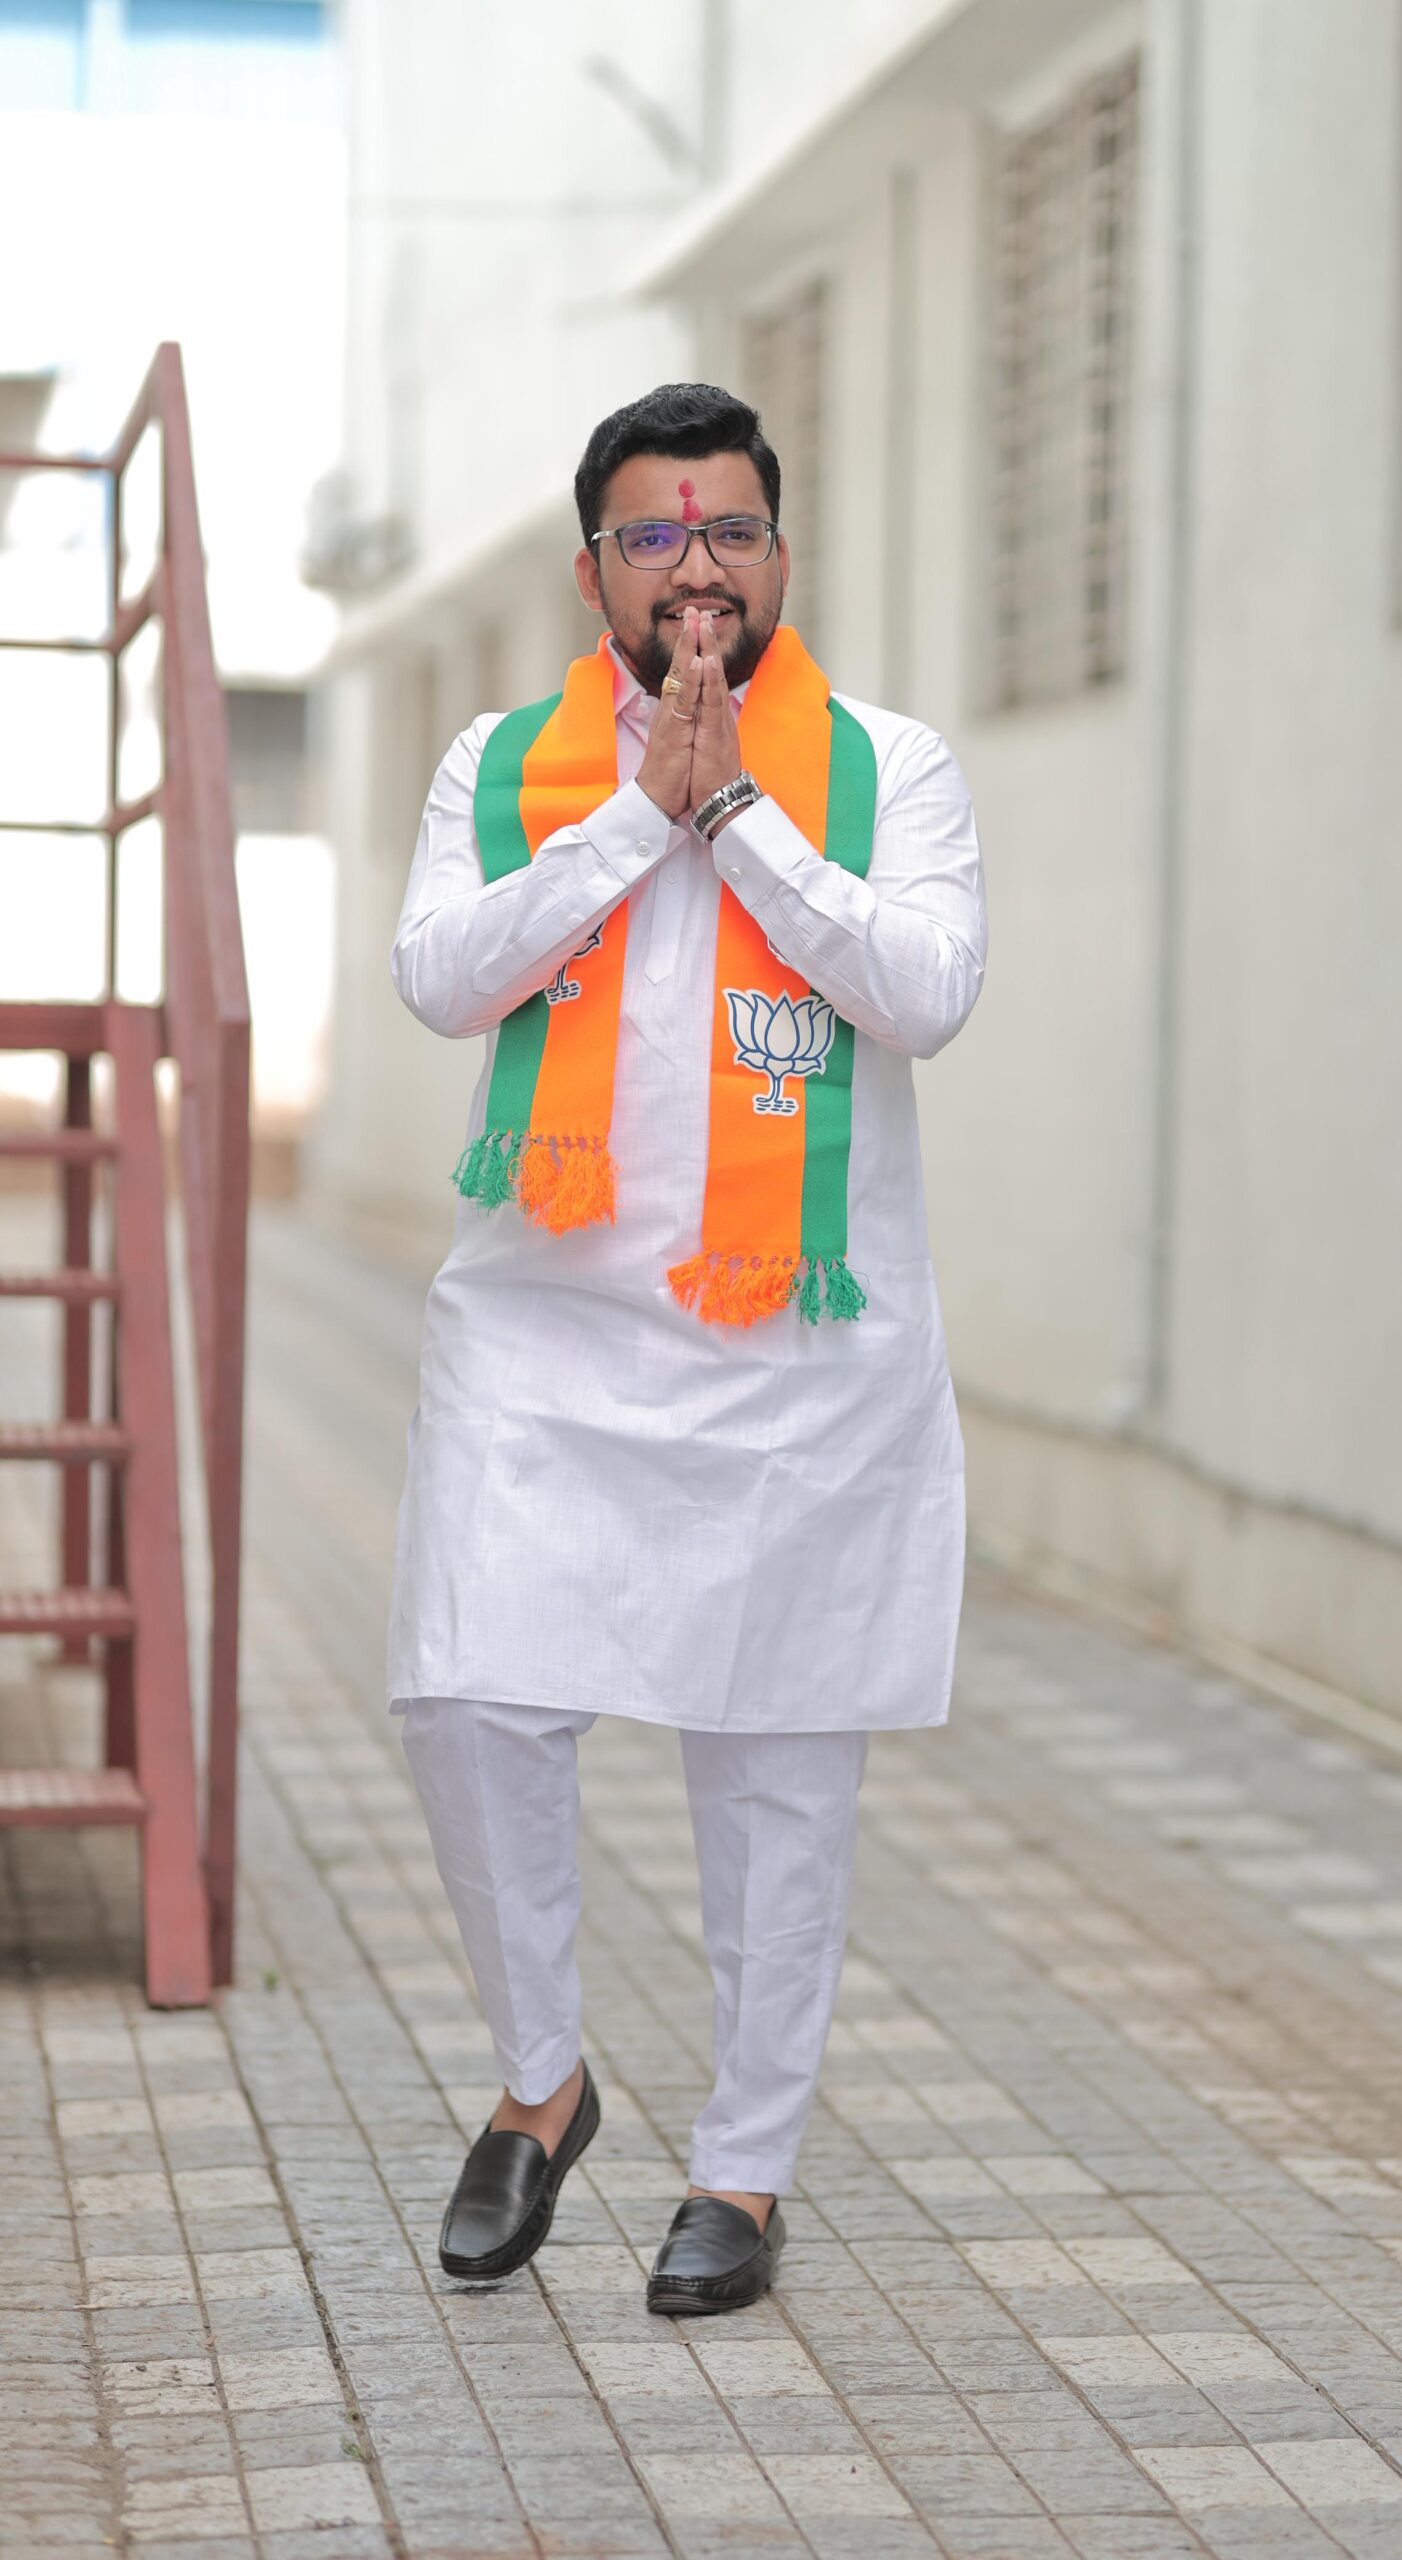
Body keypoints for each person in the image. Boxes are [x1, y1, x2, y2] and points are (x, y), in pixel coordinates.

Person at [385, 382, 986, 2314]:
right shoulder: (499, 765)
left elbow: (928, 994)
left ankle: (744, 2169)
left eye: (729, 528)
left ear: (779, 557)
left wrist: (735, 813)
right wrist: (630, 817)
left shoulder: (889, 768)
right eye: (655, 534)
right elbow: (440, 978)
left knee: (778, 1765)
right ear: (598, 575)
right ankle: (541, 2080)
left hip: (794, 1359)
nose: (697, 566)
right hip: (542, 1335)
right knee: (467, 1695)